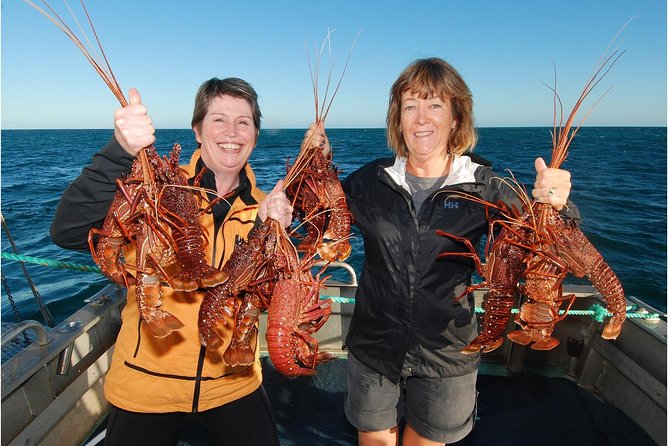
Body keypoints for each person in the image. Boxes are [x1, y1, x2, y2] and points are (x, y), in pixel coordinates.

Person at [305, 57, 579, 446]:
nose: (421, 118)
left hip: (448, 352)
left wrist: (557, 204)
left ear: (456, 118)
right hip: (374, 348)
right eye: (410, 106)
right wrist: (313, 167)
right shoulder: (369, 181)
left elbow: (547, 241)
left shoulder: (486, 186)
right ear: (397, 119)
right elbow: (312, 217)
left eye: (435, 105)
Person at [51, 77, 294, 446]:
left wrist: (273, 233)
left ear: (256, 135)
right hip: (146, 382)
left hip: (232, 381)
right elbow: (68, 231)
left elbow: (270, 294)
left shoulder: (267, 206)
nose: (232, 132)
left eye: (243, 122)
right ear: (197, 130)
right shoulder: (155, 188)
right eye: (218, 120)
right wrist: (120, 151)